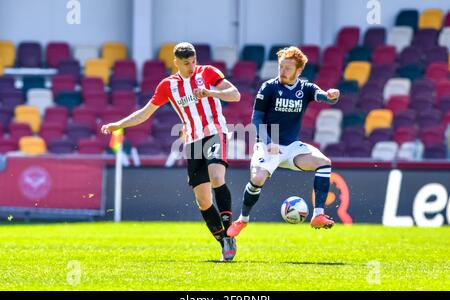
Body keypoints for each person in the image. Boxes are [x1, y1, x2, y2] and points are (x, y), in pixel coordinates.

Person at [101, 42, 241, 261]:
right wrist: (119, 124)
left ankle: (229, 229)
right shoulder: (168, 86)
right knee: (203, 200)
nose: (192, 67)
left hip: (215, 132)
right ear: (175, 62)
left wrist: (210, 92)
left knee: (216, 176)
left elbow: (235, 95)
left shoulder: (209, 73)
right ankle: (224, 240)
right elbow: (145, 113)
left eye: (194, 61)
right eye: (186, 63)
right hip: (192, 141)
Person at [227, 46, 340, 238]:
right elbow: (256, 120)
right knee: (257, 179)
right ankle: (242, 220)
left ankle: (318, 215)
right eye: (281, 67)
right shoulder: (269, 87)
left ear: (299, 70)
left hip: (291, 148)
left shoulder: (306, 89)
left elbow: (325, 97)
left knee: (324, 163)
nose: (283, 71)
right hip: (267, 145)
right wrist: (269, 142)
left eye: (288, 68)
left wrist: (331, 95)